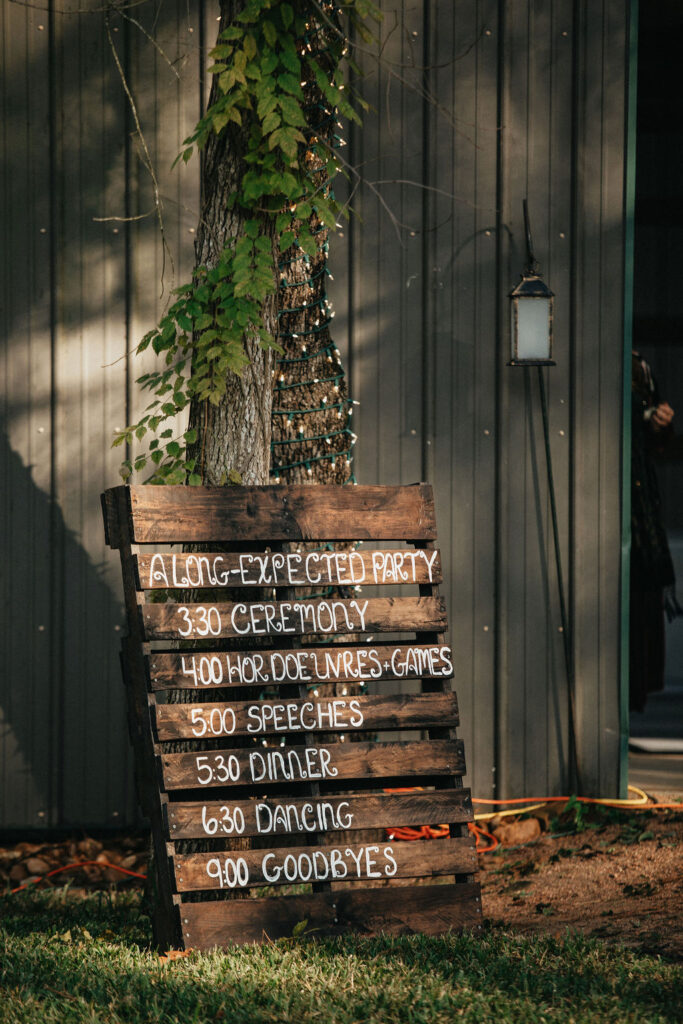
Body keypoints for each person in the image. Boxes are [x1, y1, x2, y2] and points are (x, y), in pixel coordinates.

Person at [630, 350, 681, 712]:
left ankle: (632, 697)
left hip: (640, 501)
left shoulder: (640, 365)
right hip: (625, 501)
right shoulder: (621, 363)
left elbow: (652, 443)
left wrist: (659, 423)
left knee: (642, 601)